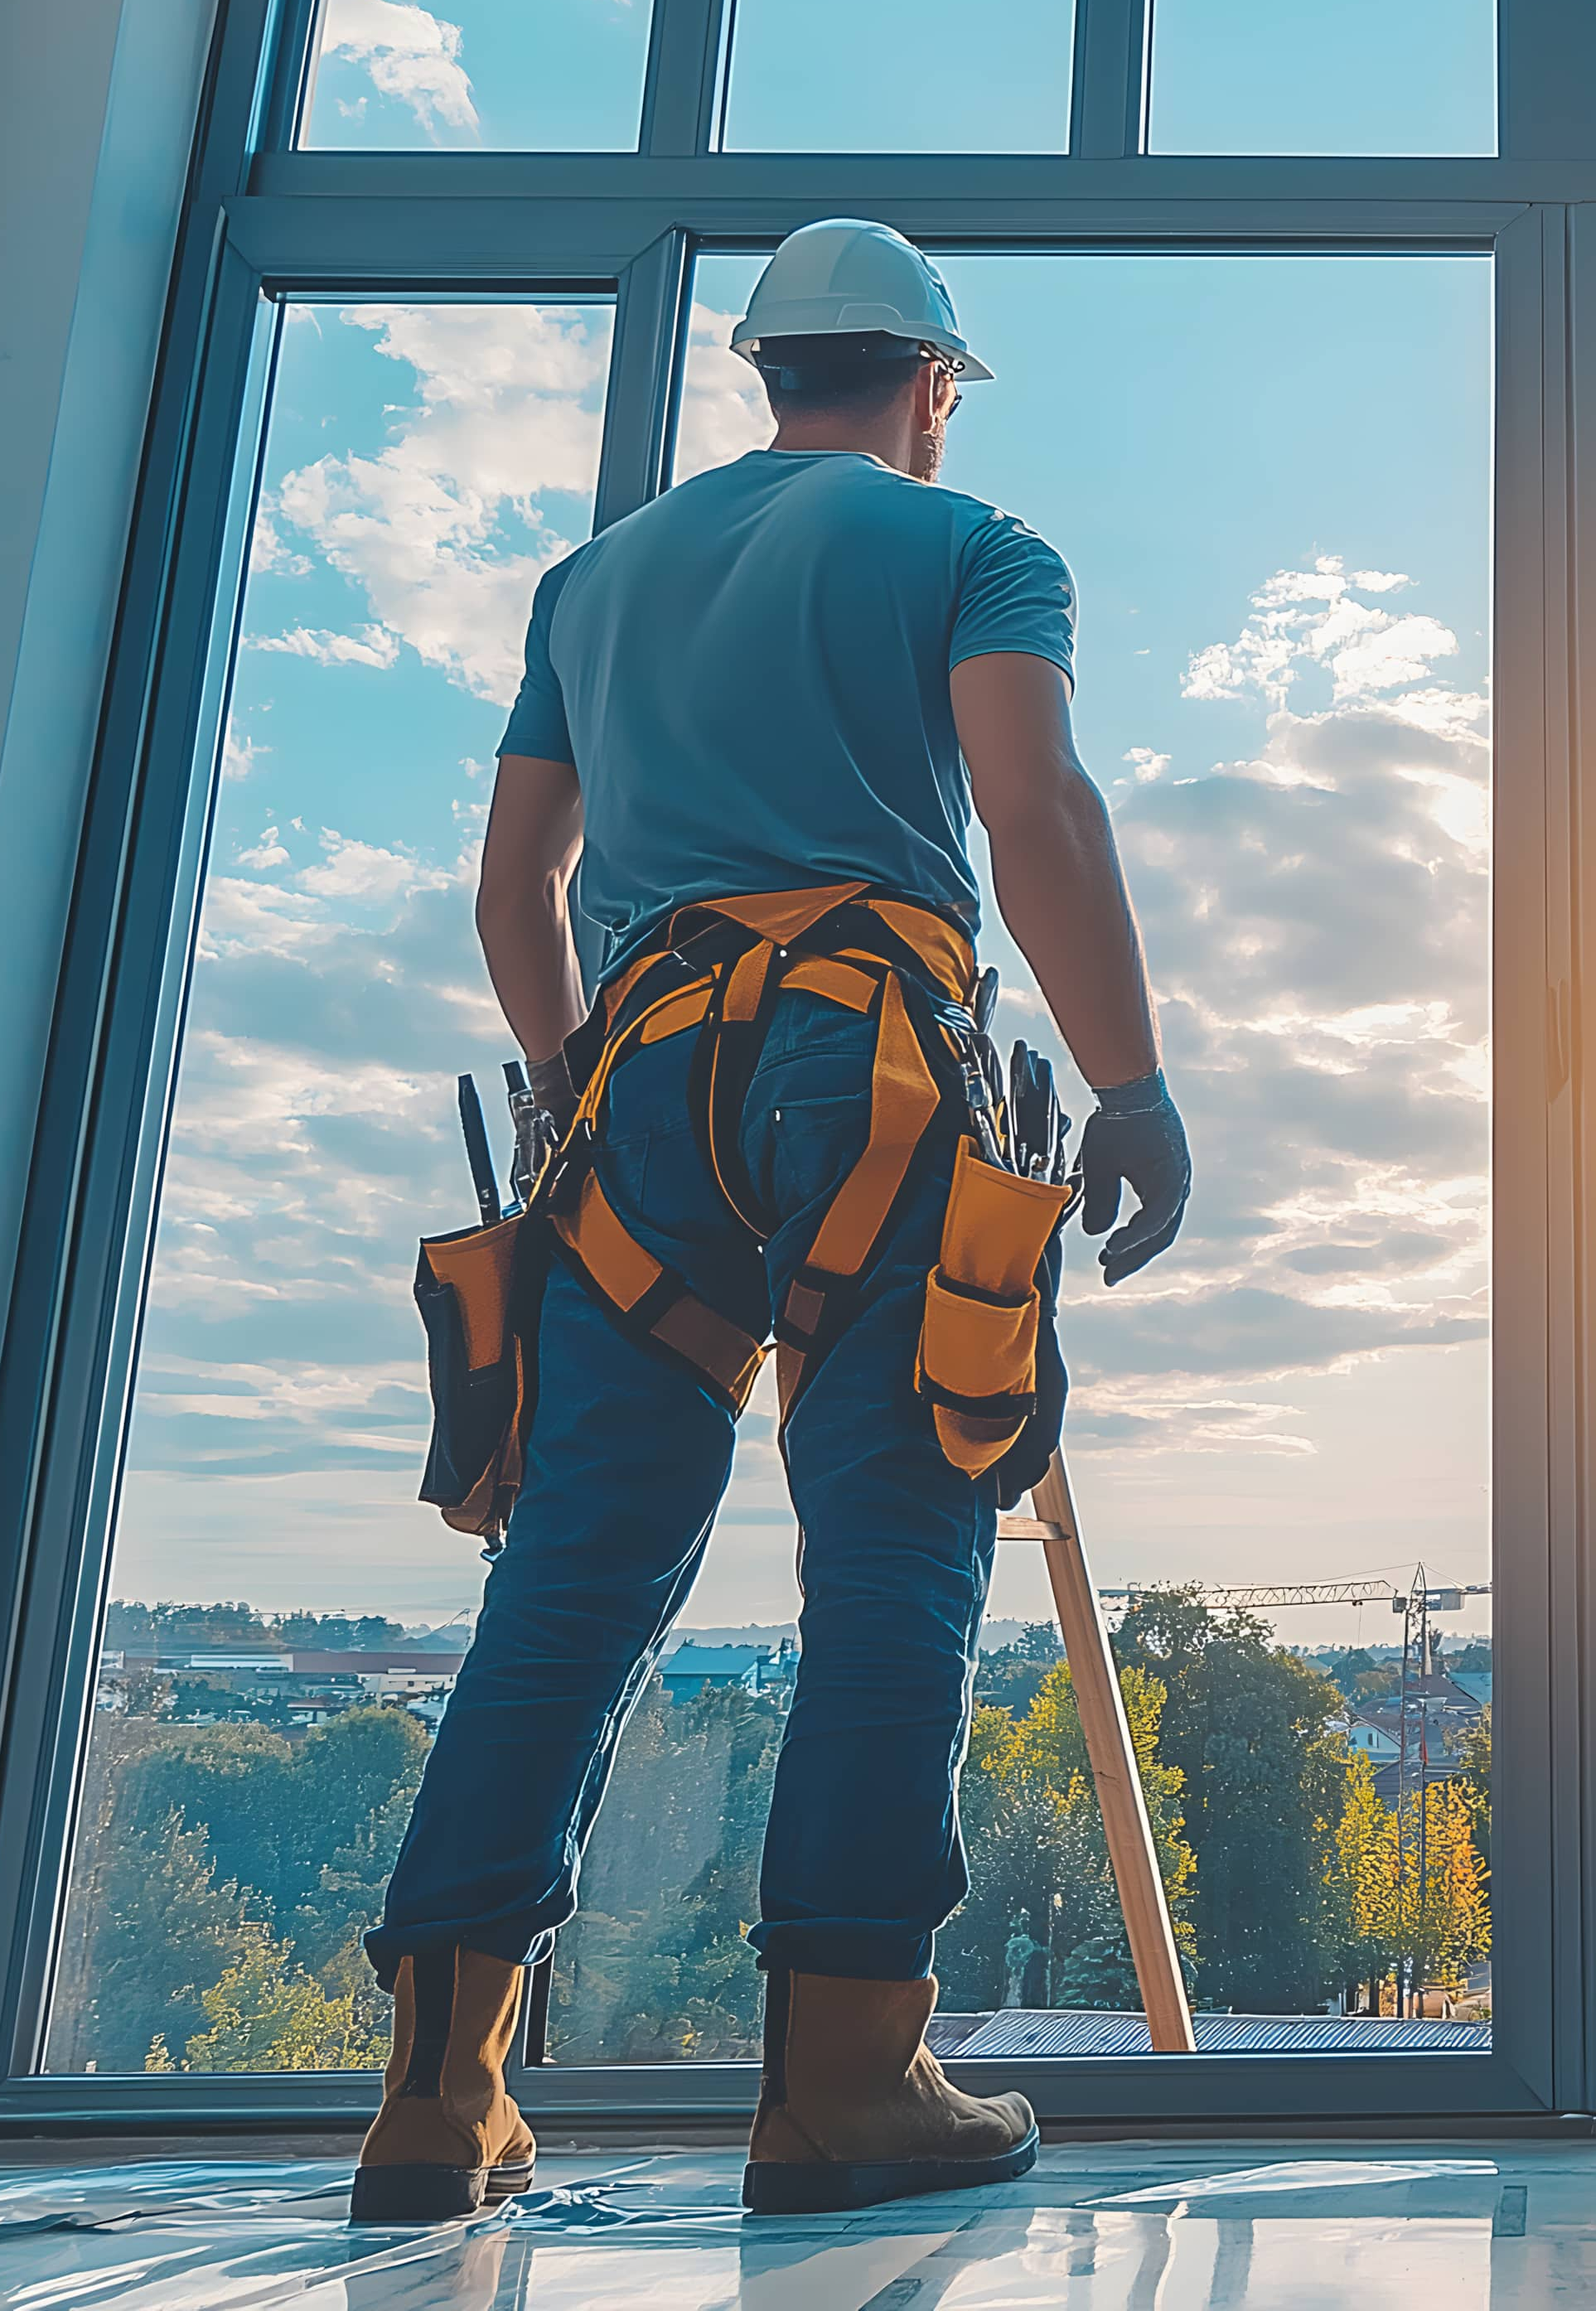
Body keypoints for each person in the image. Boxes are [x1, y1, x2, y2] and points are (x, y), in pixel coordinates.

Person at [348, 220, 1192, 2222]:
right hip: (871, 1070)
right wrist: (1134, 1080)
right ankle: (842, 2079)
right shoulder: (973, 544)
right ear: (924, 385)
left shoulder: (597, 578)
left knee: (568, 1573)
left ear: (763, 372)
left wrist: (574, 1093)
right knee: (894, 1540)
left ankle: (435, 2100)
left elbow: (514, 896)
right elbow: (1033, 805)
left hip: (636, 1085)